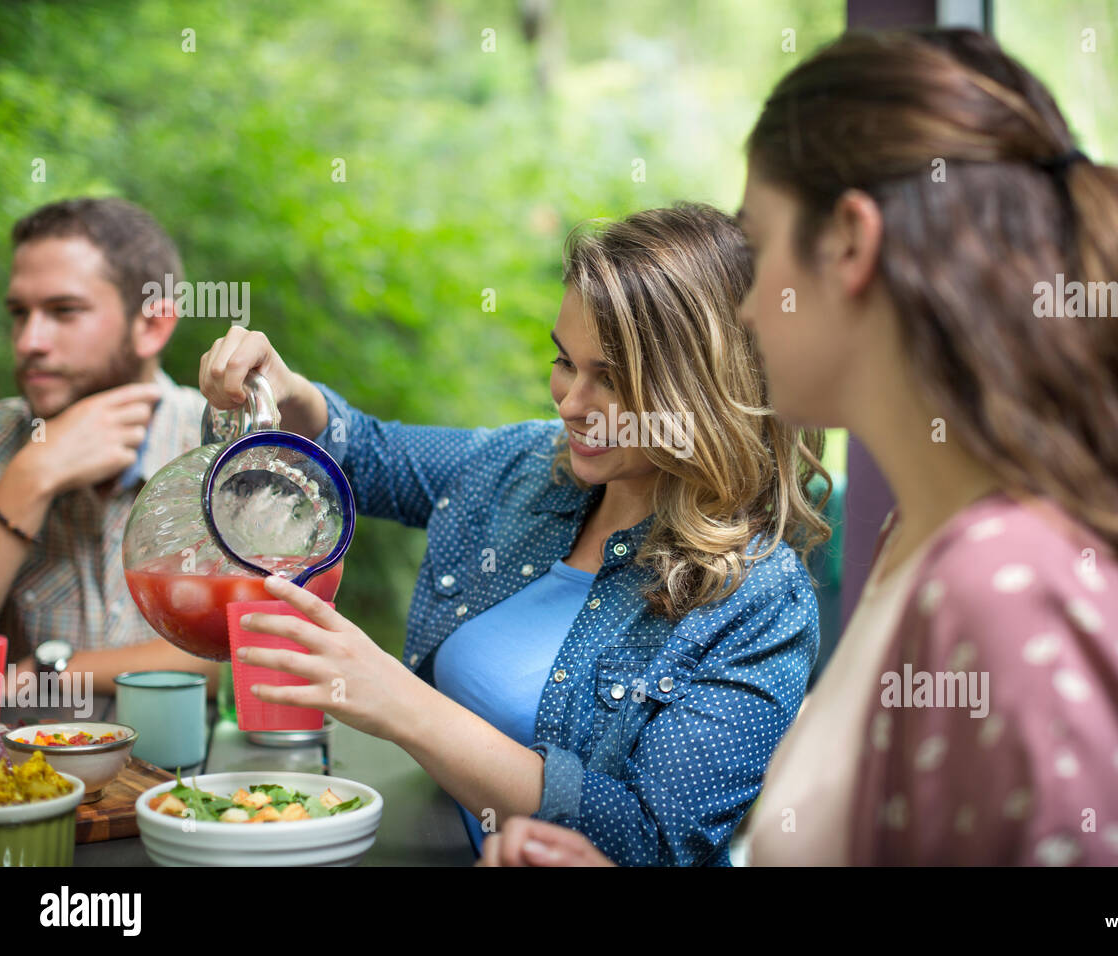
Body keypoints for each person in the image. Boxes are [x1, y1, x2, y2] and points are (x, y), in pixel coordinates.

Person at [477, 27, 1118, 867]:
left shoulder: (1005, 588)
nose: (744, 311)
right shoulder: (920, 542)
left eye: (762, 246)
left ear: (851, 244)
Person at [198, 202, 832, 865]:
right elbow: (370, 454)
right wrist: (286, 387)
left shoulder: (759, 601)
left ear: (702, 391)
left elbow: (653, 842)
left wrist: (401, 703)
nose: (569, 401)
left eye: (610, 378)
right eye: (565, 361)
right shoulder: (527, 469)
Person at [0, 197, 214, 696]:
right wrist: (32, 476)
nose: (30, 340)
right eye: (19, 313)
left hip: (190, 772)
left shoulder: (220, 448)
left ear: (152, 325)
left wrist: (52, 674)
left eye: (63, 311)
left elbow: (250, 646)